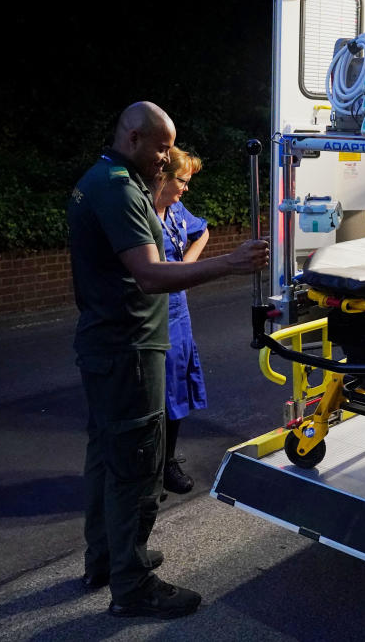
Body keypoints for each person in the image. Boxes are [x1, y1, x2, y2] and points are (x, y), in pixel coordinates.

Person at [67, 101, 267, 619]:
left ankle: (106, 559)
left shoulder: (106, 178)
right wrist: (230, 262)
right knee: (137, 466)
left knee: (106, 458)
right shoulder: (117, 188)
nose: (168, 157)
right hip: (129, 350)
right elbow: (151, 276)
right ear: (132, 136)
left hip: (109, 346)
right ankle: (132, 587)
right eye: (160, 146)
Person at [150, 146, 209, 495]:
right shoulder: (144, 214)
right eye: (183, 181)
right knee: (153, 396)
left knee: (175, 393)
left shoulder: (175, 209)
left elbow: (202, 232)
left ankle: (167, 462)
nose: (186, 189)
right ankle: (150, 470)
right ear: (163, 177)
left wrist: (186, 268)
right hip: (153, 313)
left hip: (178, 313)